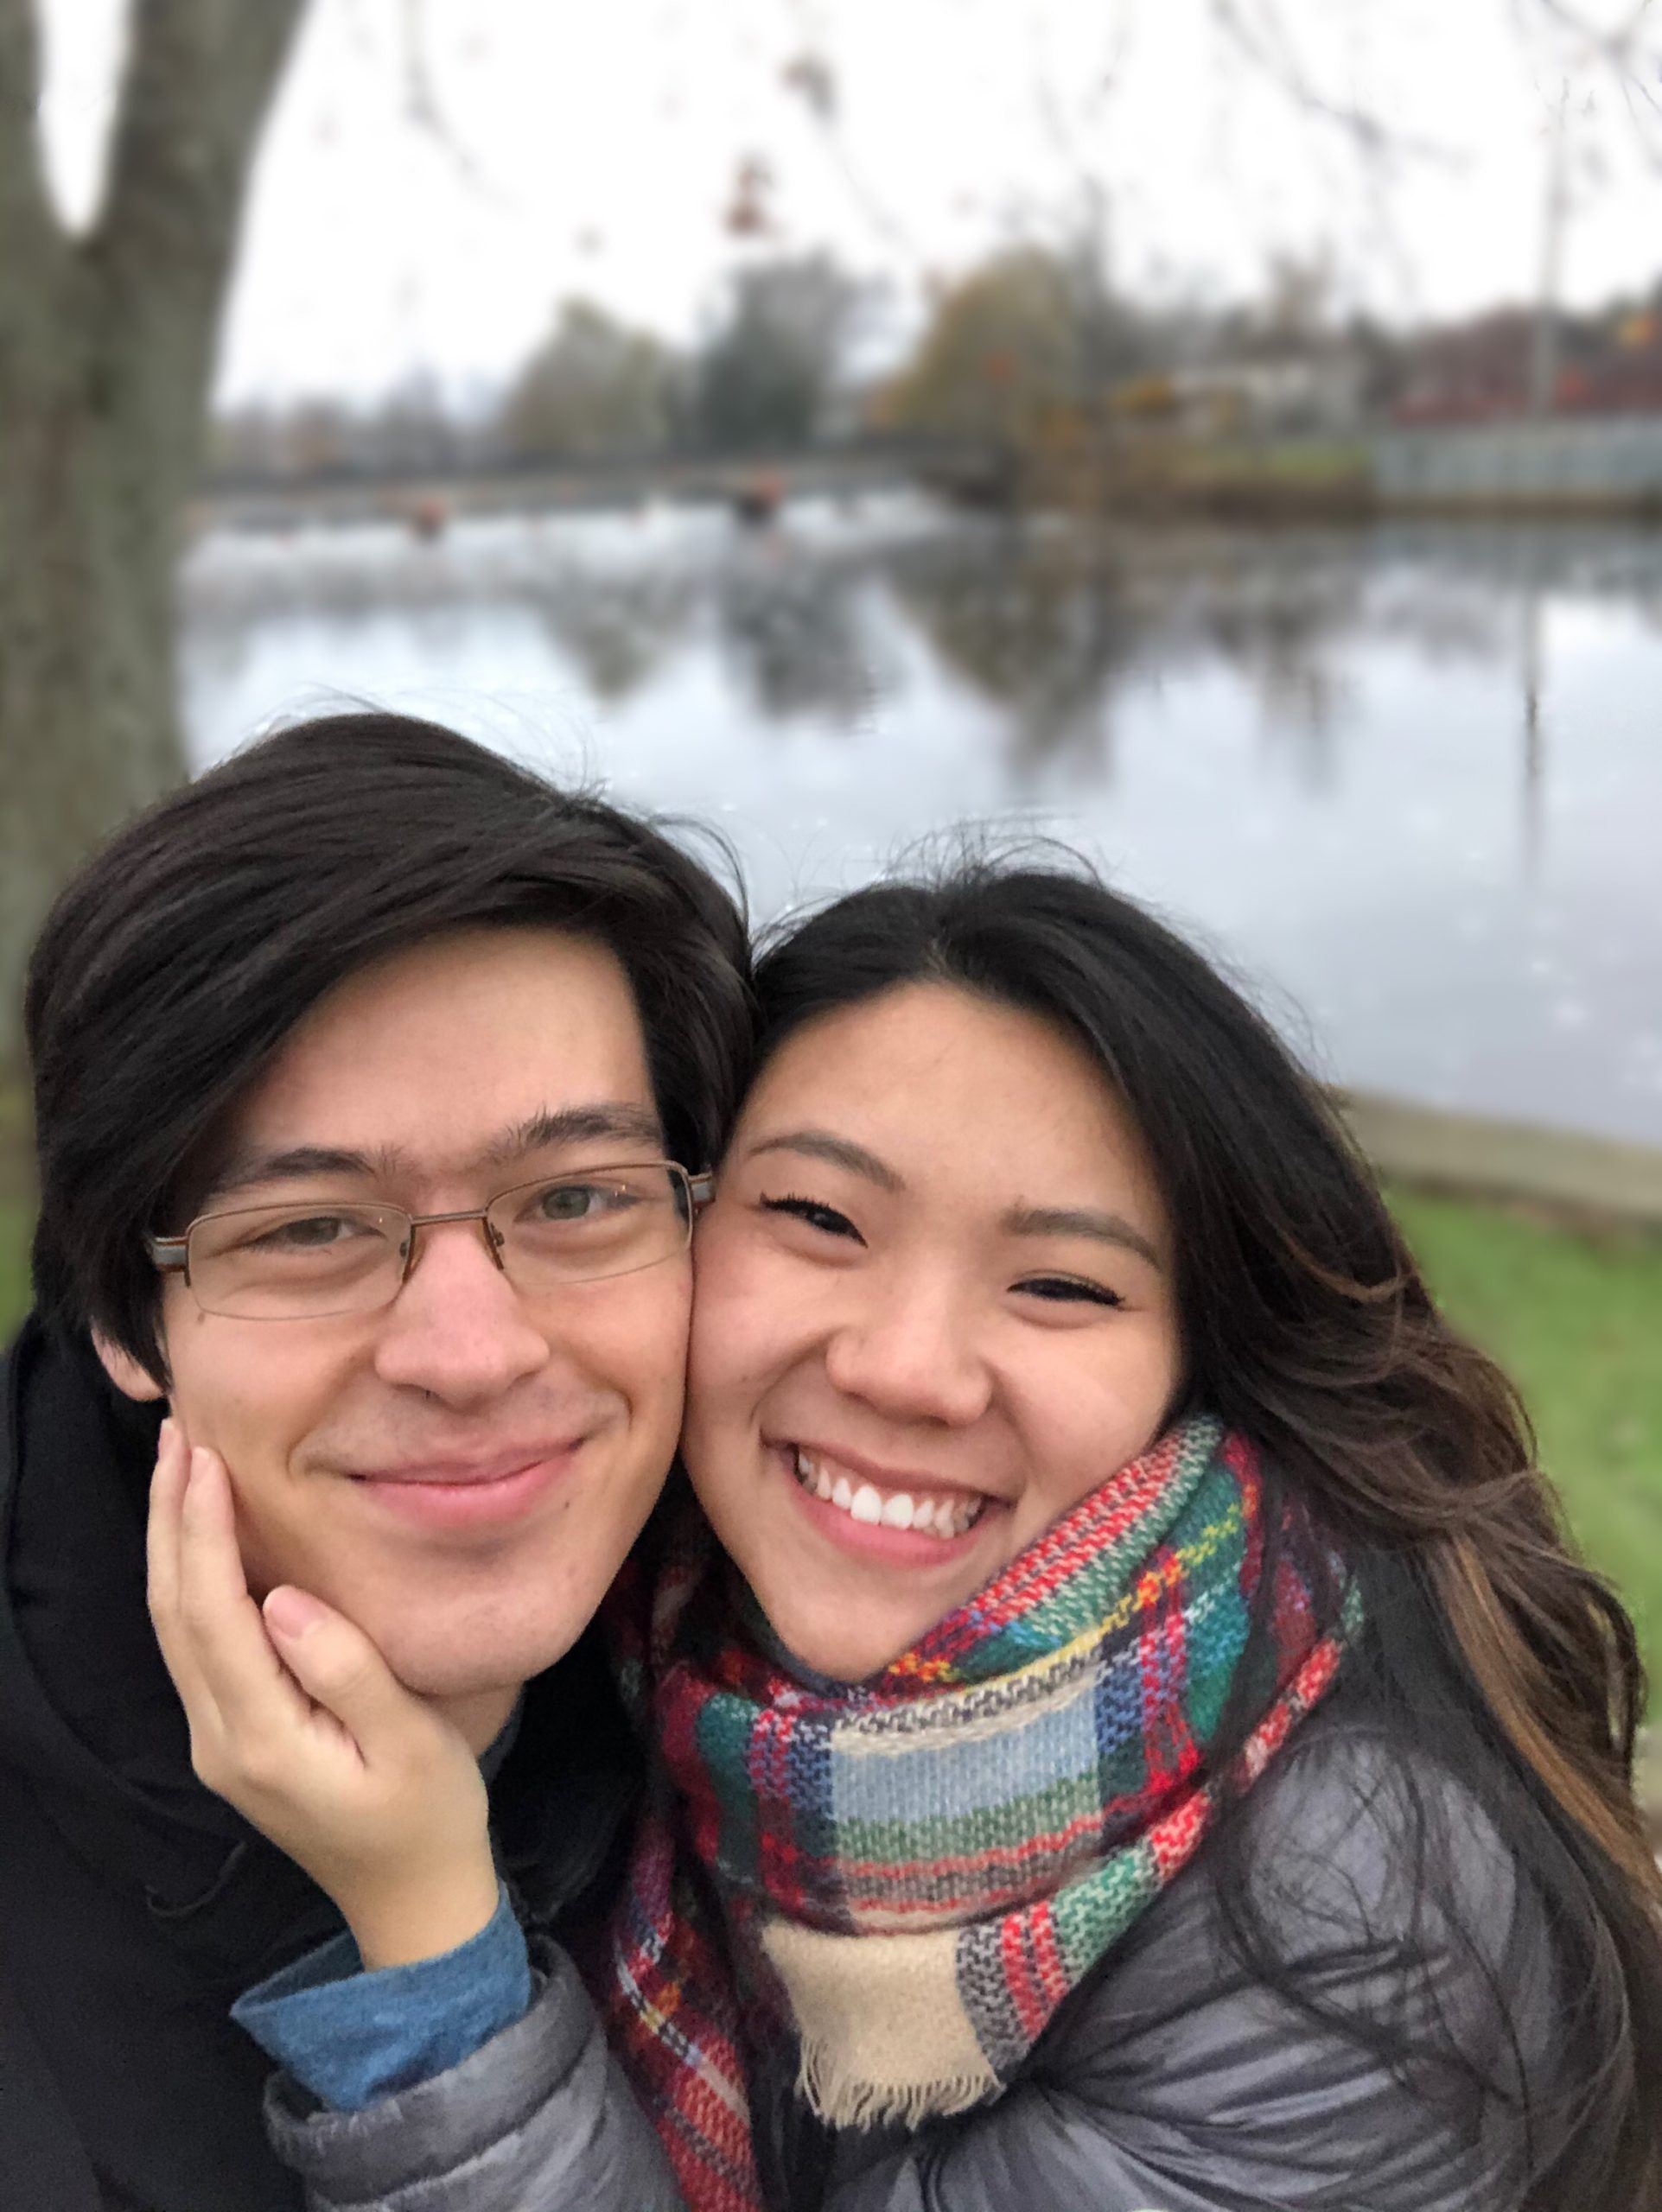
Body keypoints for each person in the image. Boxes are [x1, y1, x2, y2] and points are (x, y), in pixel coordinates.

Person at [150, 858, 1662, 2211]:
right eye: (818, 1219)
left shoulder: (1357, 1919)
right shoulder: (657, 1626)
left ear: (1198, 1368)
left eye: (1061, 1286)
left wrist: (431, 1951)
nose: (905, 1370)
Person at [0, 710, 753, 2212]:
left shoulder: (831, 1671)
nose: (471, 1354)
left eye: (577, 1199)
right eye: (312, 1230)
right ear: (126, 1321)